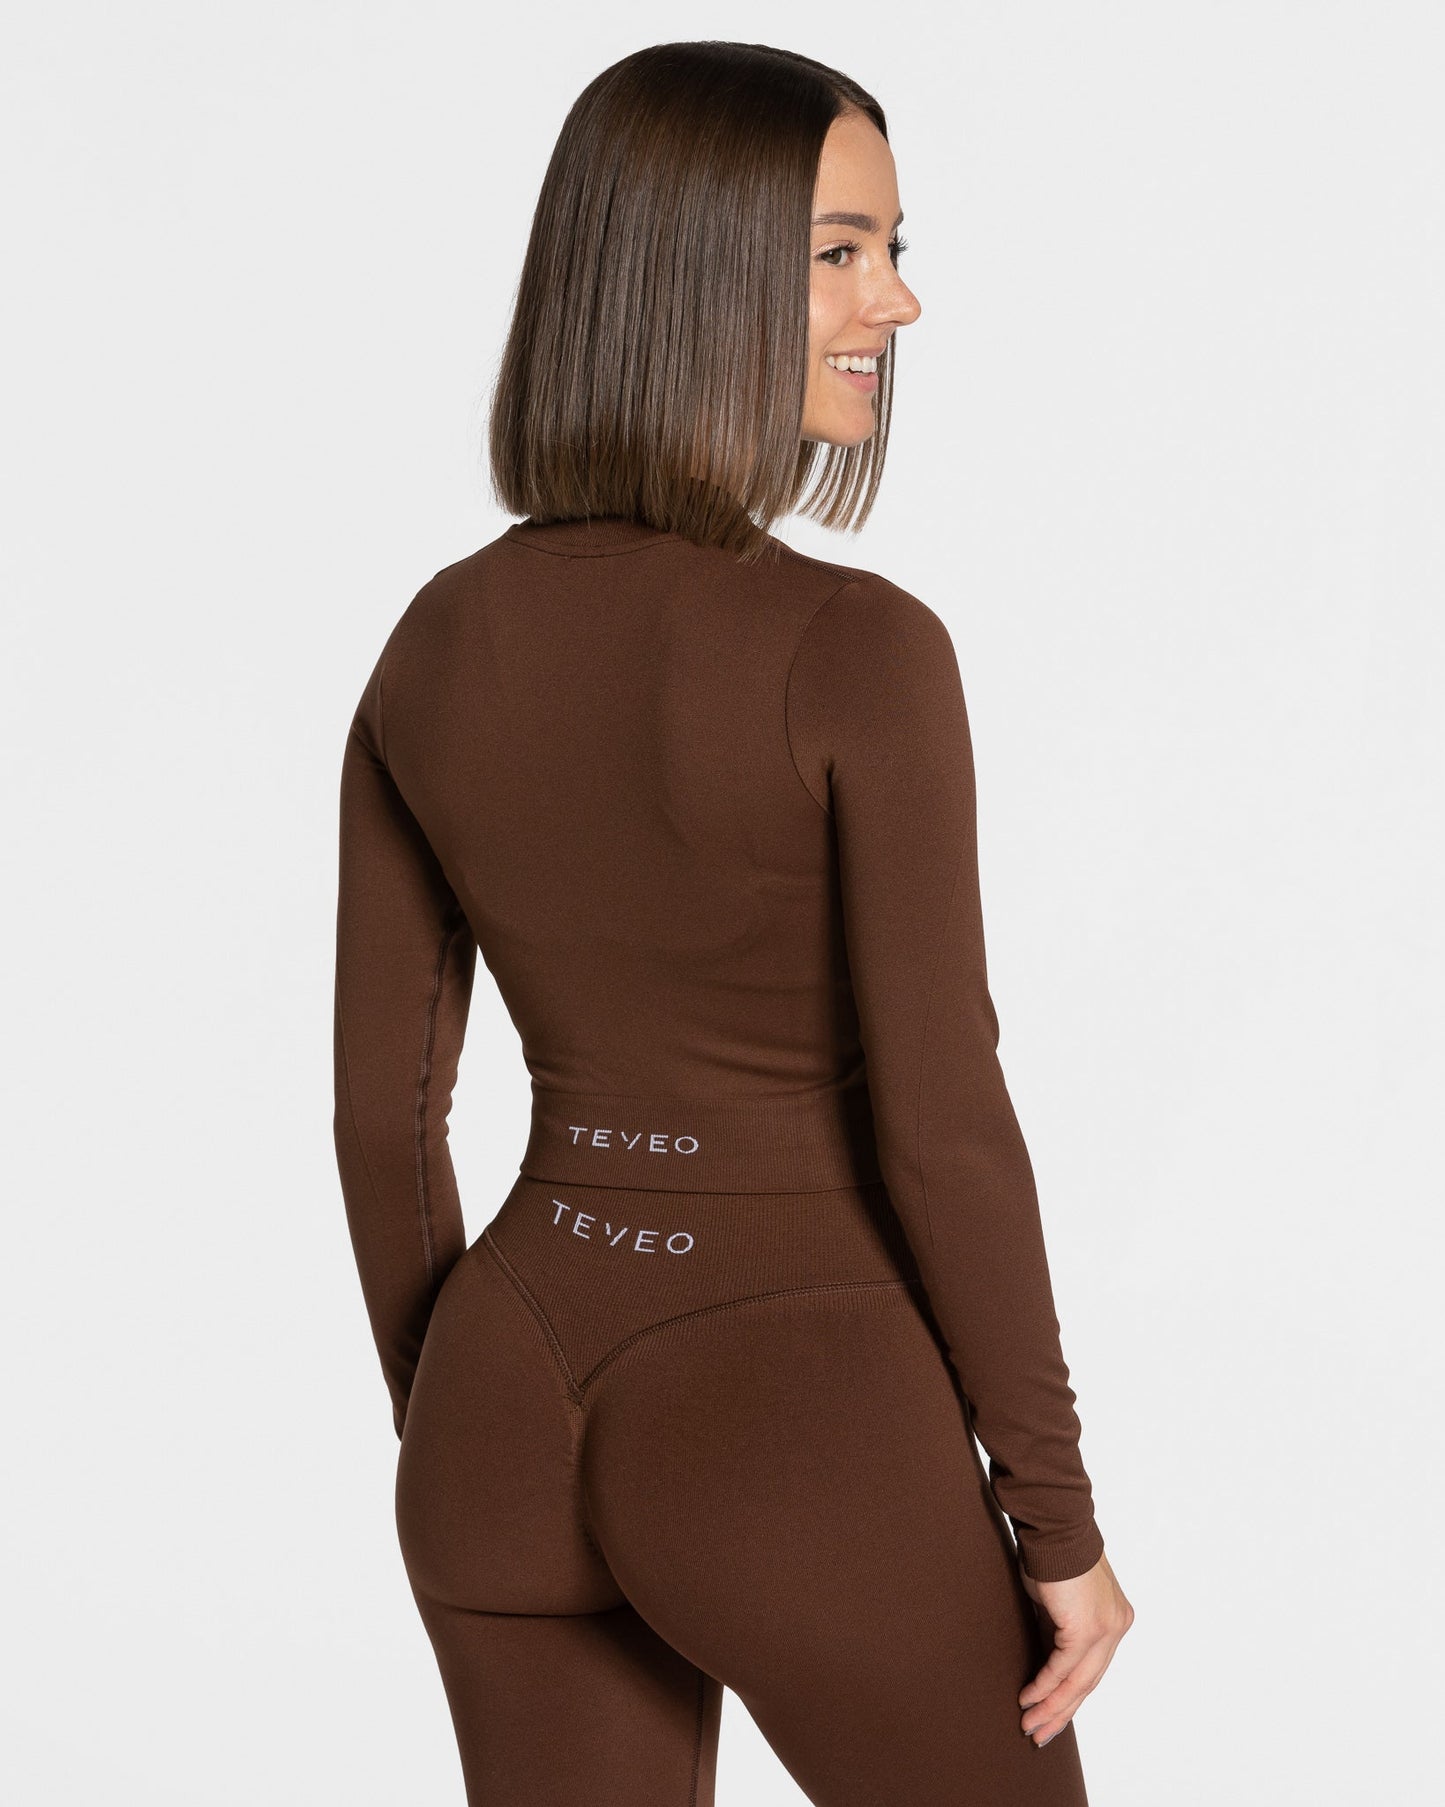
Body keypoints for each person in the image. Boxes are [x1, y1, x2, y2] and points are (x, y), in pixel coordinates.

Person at [332, 39, 1133, 1807]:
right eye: (839, 252)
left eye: (893, 248)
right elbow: (944, 1127)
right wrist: (1054, 1521)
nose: (895, 302)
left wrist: (446, 1410)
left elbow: (380, 1117)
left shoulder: (431, 643)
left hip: (501, 1391)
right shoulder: (857, 651)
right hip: (795, 1411)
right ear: (689, 270)